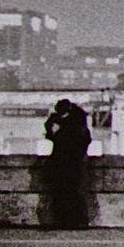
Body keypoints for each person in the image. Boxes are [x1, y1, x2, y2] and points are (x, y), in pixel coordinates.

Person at [42, 98, 92, 229]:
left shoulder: (68, 127)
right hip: (74, 164)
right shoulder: (78, 124)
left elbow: (55, 139)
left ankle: (66, 221)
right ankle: (75, 221)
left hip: (65, 164)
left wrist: (52, 128)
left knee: (65, 193)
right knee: (73, 193)